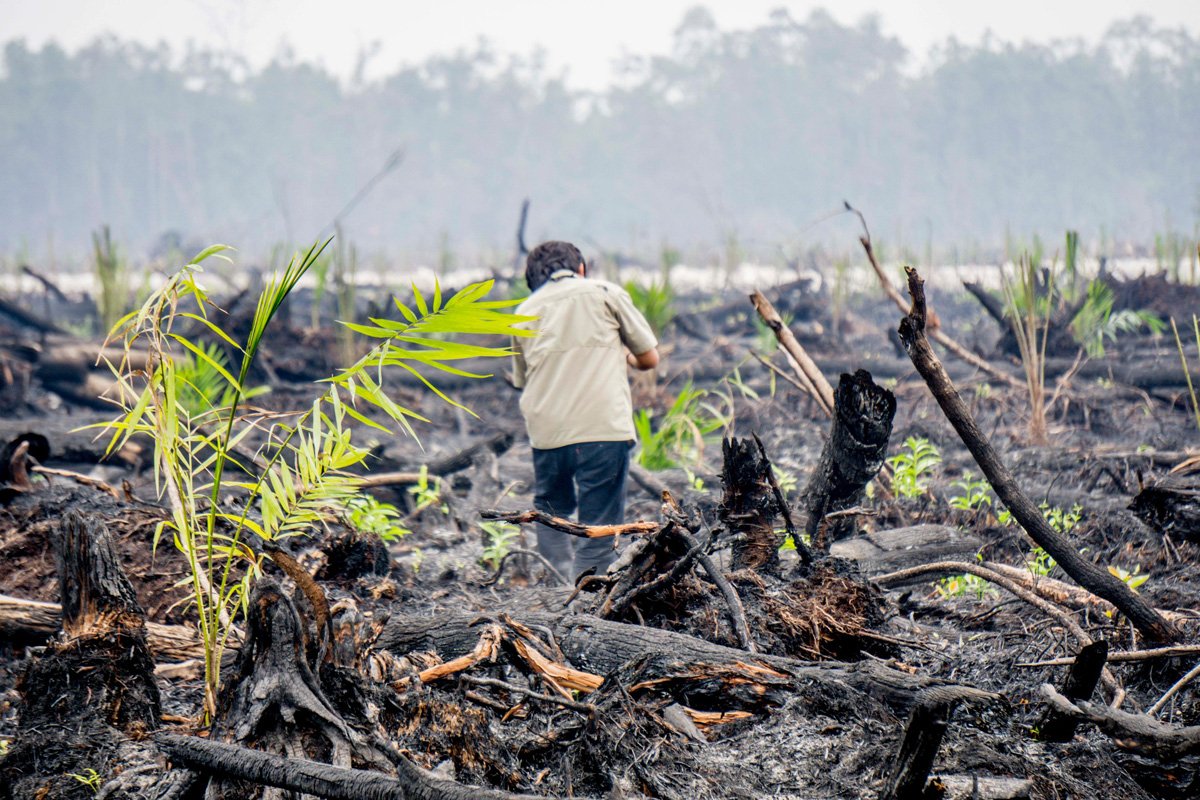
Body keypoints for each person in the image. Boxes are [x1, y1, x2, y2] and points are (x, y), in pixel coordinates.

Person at [511, 241, 660, 580]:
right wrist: (624, 356)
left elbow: (522, 380)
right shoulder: (605, 293)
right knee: (600, 519)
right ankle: (585, 595)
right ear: (580, 269)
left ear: (533, 280)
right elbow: (649, 358)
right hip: (602, 428)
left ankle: (556, 583)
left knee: (551, 510)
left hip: (548, 433)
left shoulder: (524, 311)